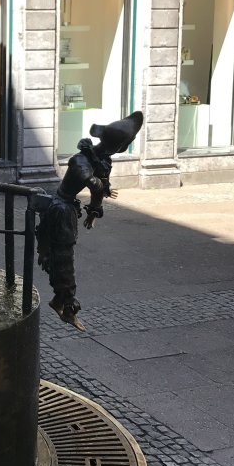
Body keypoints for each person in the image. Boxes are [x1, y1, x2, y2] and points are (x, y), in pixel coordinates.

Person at [35, 111, 143, 332]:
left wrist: (98, 202)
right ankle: (65, 304)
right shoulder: (80, 161)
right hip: (60, 210)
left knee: (64, 257)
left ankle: (61, 300)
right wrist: (94, 210)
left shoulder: (98, 160)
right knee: (63, 259)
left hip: (67, 208)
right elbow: (94, 185)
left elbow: (100, 182)